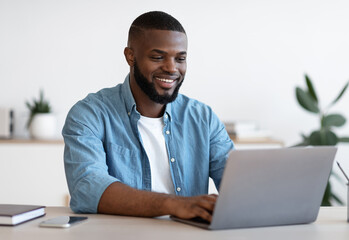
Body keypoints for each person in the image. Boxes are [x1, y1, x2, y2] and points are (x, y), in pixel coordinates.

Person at [62, 11, 234, 223]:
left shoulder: (203, 118)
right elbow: (87, 188)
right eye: (157, 57)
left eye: (180, 58)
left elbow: (237, 185)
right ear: (130, 56)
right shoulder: (89, 114)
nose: (172, 68)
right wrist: (176, 204)